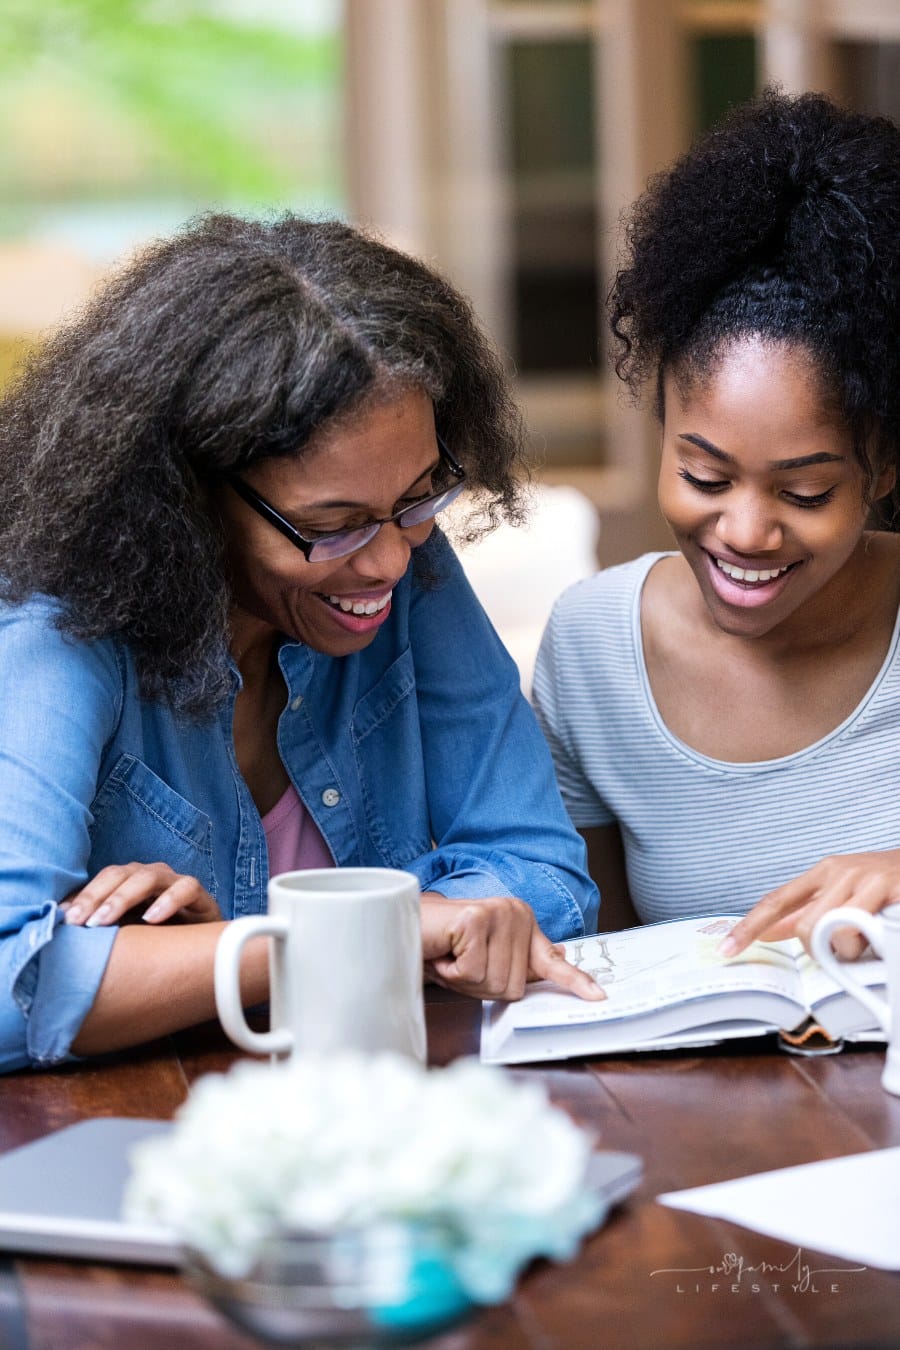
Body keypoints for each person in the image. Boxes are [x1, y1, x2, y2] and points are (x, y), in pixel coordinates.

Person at [0, 212, 602, 1074]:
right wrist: (325, 940)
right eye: (333, 526)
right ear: (183, 498)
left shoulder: (402, 565)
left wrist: (182, 964)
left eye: (420, 499)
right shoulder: (55, 631)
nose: (392, 559)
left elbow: (542, 870)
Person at [533, 89, 900, 962]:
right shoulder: (592, 653)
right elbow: (605, 967)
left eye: (805, 494)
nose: (745, 532)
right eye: (704, 474)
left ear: (884, 470)